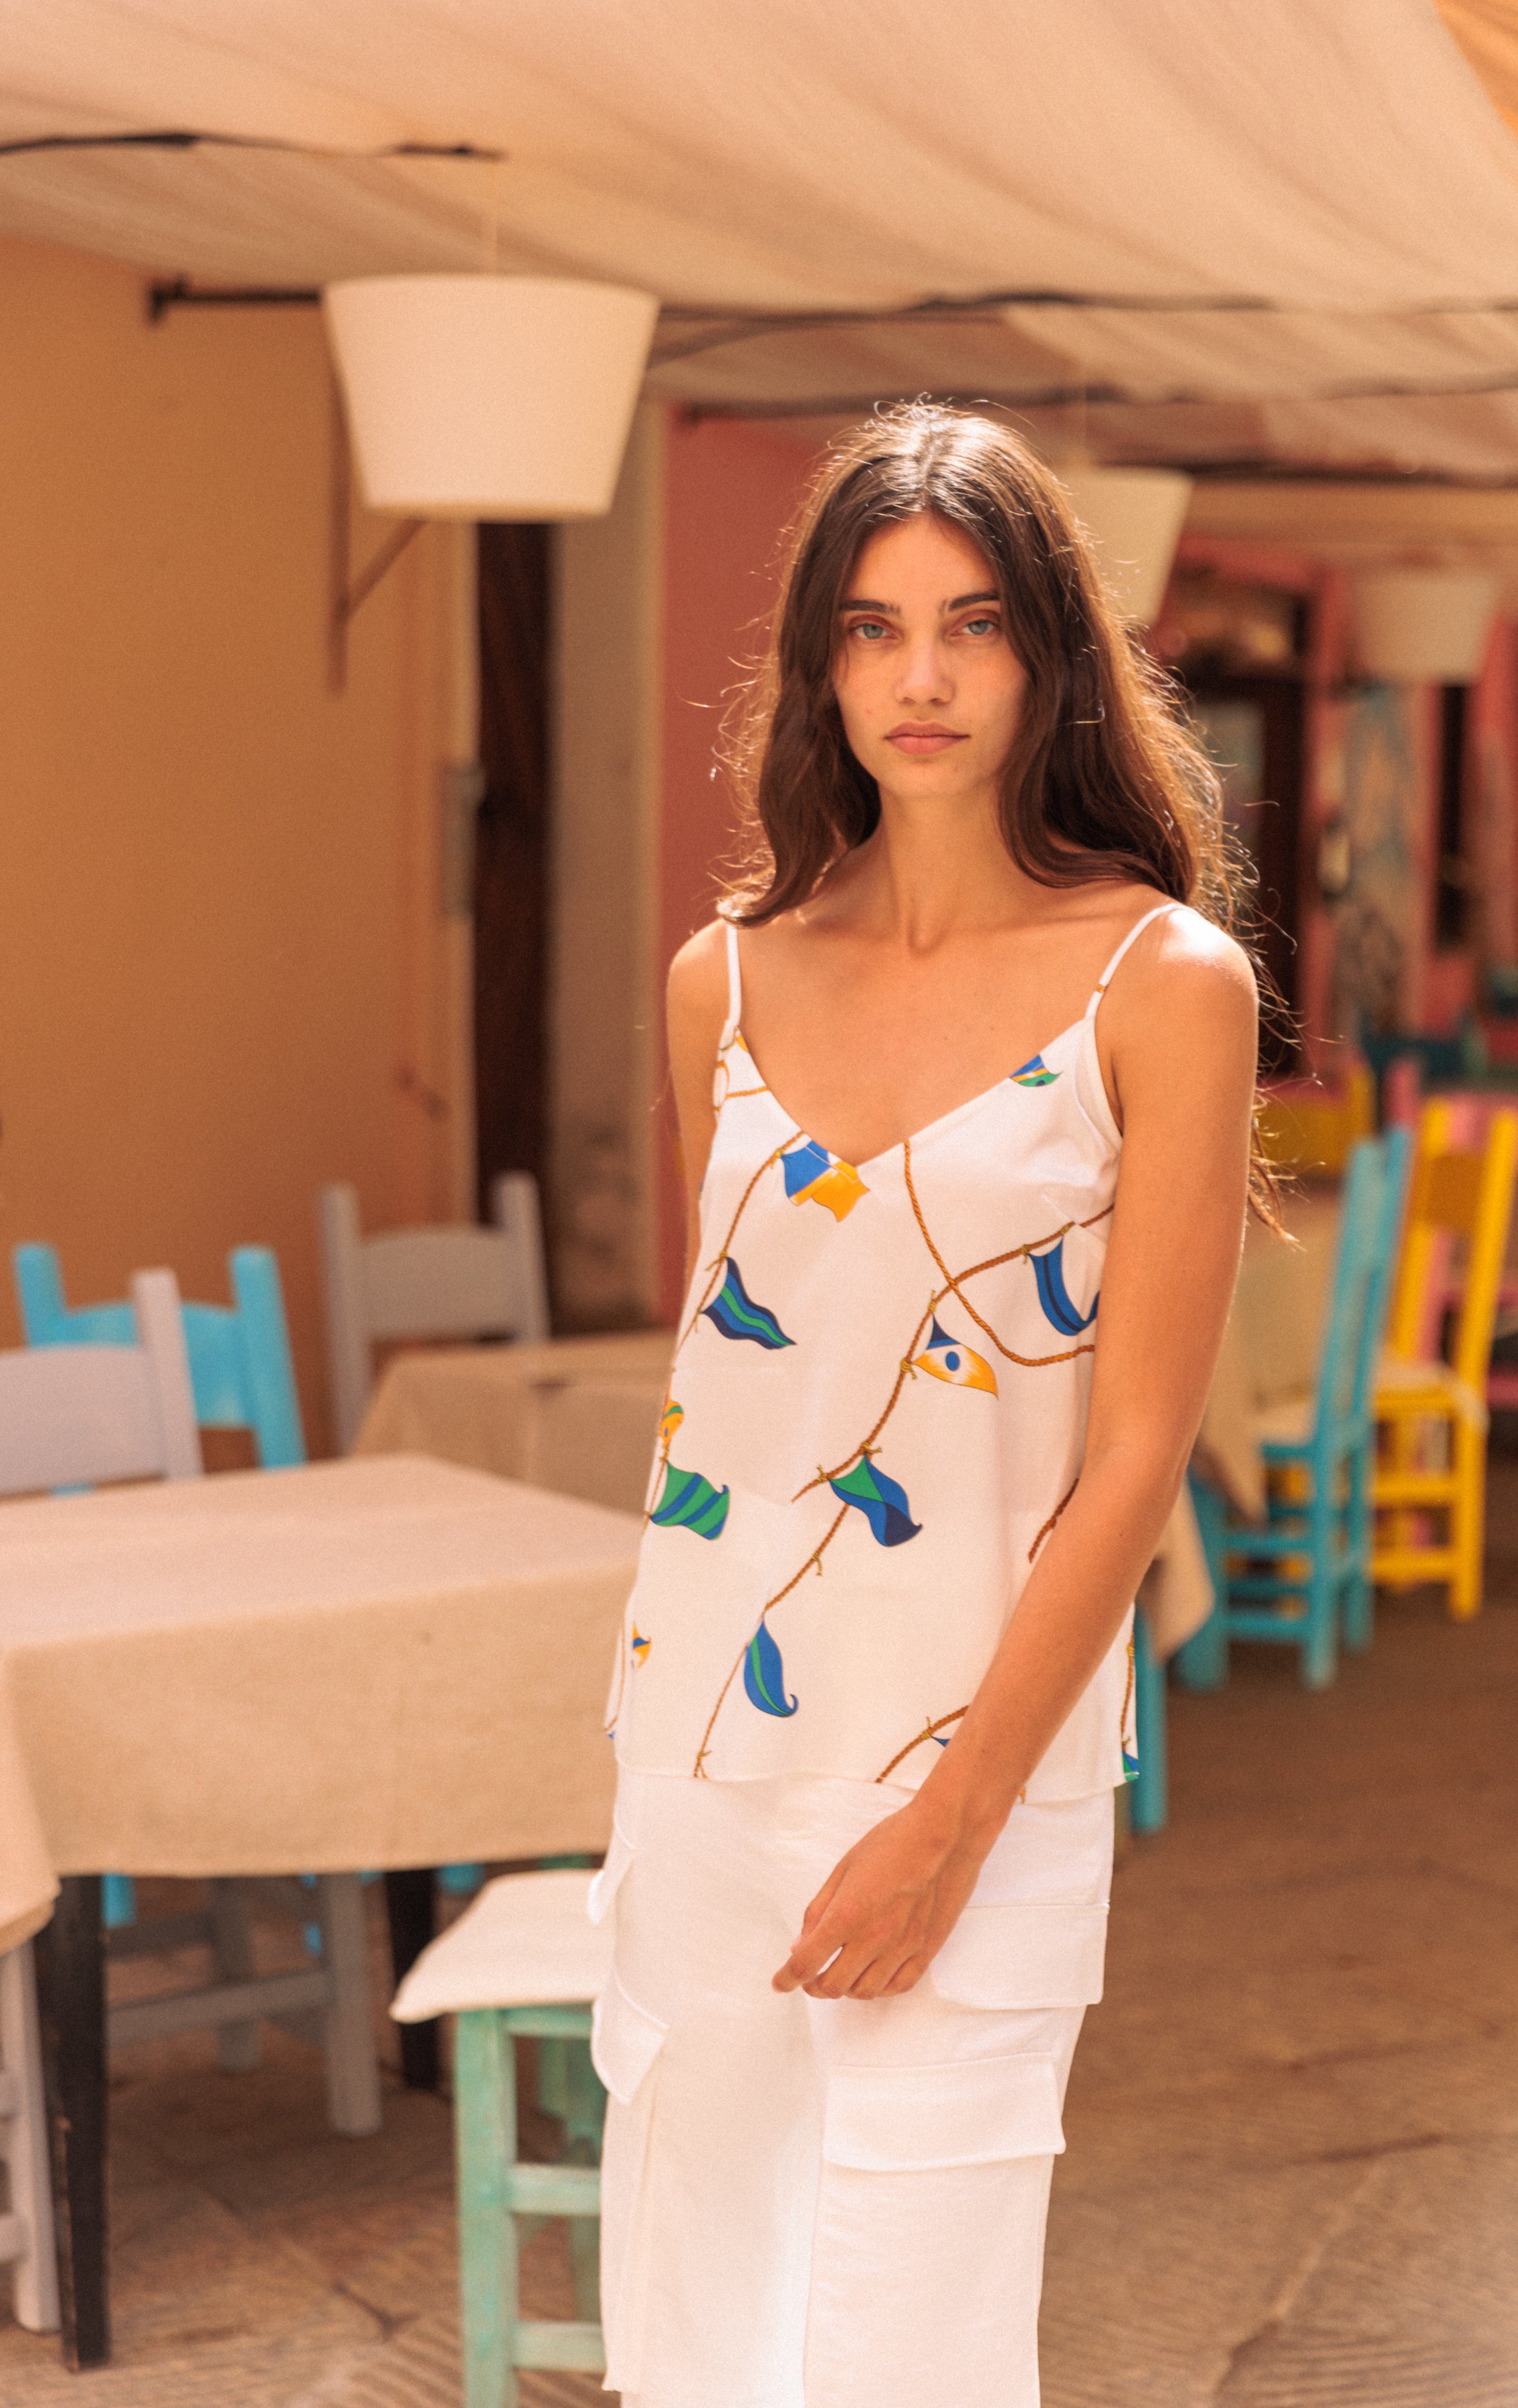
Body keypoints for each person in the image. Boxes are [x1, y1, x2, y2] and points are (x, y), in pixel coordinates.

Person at [589, 403, 1259, 2408]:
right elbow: (726, 1386)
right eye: (871, 630)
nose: (921, 675)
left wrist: (952, 1819)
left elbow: (1134, 1454)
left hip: (982, 1759)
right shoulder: (722, 971)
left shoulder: (1165, 983)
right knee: (699, 2305)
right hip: (694, 1743)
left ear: (1051, 658)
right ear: (820, 668)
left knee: (915, 2331)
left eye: (969, 625)